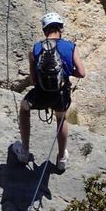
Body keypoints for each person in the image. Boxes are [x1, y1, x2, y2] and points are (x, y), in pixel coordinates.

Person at [11, 12, 86, 172]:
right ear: (61, 29)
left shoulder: (36, 48)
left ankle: (24, 151)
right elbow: (81, 72)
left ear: (45, 30)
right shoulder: (70, 47)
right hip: (61, 94)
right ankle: (61, 158)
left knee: (25, 108)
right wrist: (67, 71)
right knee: (61, 118)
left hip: (42, 93)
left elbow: (34, 78)